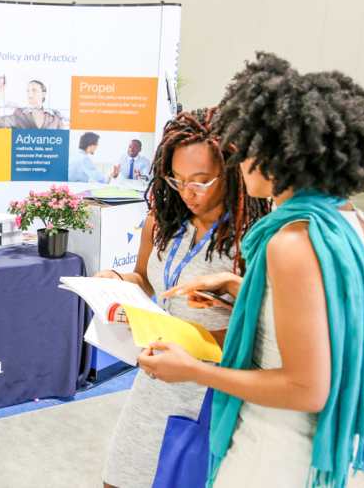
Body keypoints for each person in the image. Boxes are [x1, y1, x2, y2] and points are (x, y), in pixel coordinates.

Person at [142, 53, 364, 488]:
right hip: (311, 448)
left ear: (279, 153)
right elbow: (322, 321)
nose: (237, 163)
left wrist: (192, 369)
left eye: (245, 149)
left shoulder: (290, 243)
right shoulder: (351, 224)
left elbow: (307, 386)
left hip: (273, 447)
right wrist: (240, 285)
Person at [97, 109, 270, 488]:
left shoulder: (254, 239)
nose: (188, 193)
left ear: (232, 170)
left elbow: (265, 330)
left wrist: (197, 345)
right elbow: (144, 278)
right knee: (119, 479)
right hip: (156, 378)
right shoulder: (161, 222)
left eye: (201, 181)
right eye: (177, 180)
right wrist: (117, 280)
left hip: (216, 387)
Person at [0, 77, 66, 129]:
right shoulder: (19, 114)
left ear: (43, 94)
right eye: (28, 90)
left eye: (34, 90)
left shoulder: (56, 115)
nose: (30, 93)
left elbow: (61, 142)